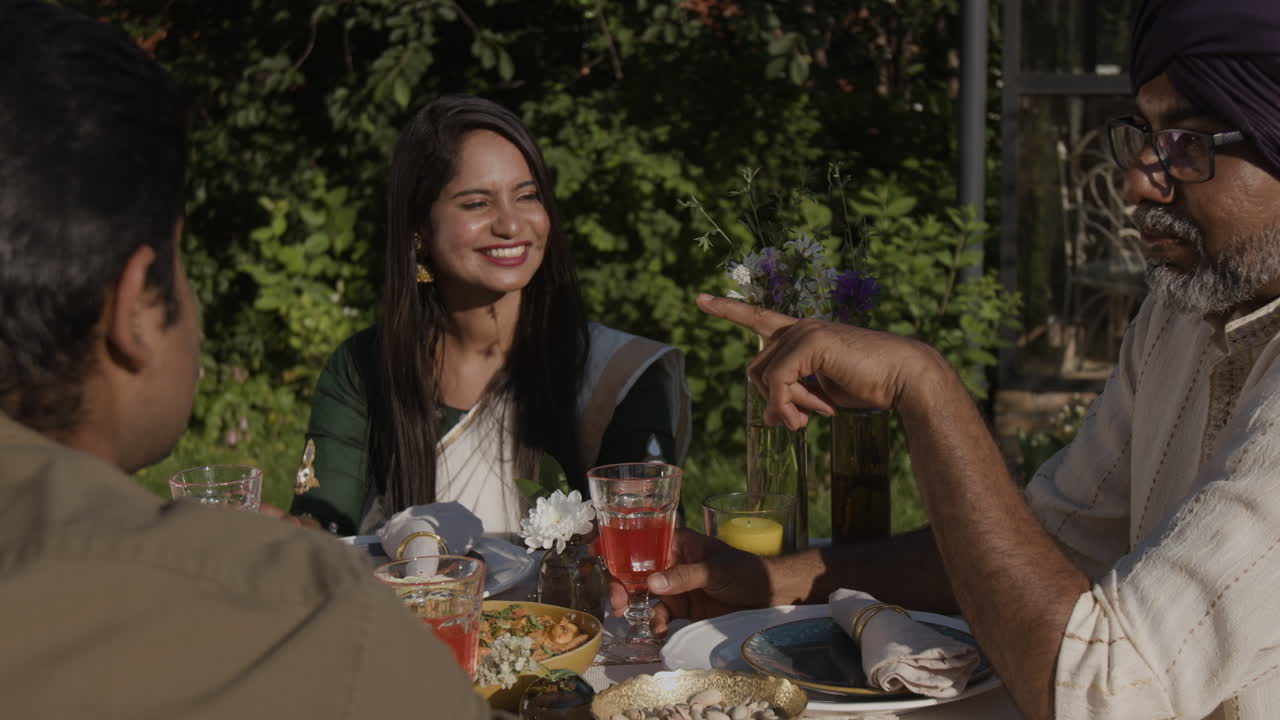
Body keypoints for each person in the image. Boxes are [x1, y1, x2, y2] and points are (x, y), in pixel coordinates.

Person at [622, 2, 1280, 719]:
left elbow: (1102, 694)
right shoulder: (1179, 316)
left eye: (1187, 141)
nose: (1138, 181)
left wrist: (926, 386)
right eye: (1146, 136)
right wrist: (767, 578)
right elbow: (1047, 546)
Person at [0, 2, 493, 716]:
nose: (509, 225)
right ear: (139, 305)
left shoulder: (598, 367)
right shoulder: (304, 628)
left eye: (526, 197)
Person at [290, 95, 692, 537]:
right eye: (476, 203)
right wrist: (286, 535)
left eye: (527, 196)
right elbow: (322, 531)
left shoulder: (618, 375)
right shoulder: (366, 366)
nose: (511, 224)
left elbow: (650, 544)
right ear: (418, 230)